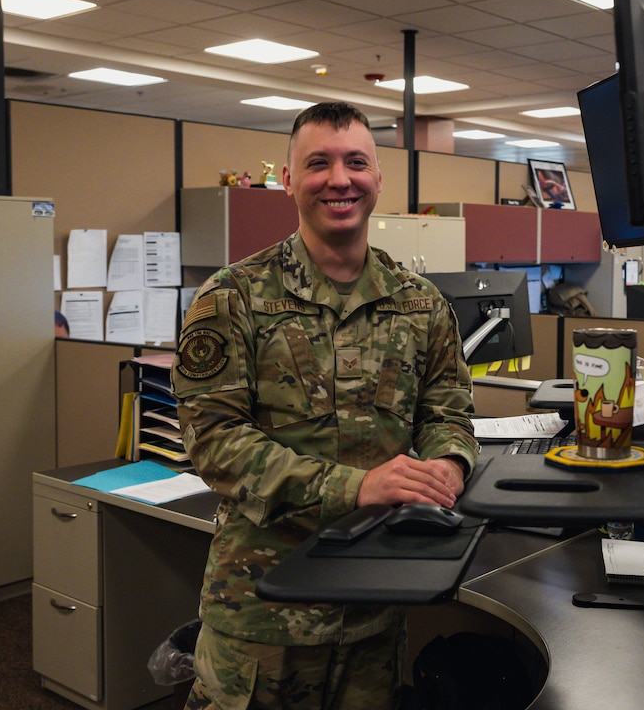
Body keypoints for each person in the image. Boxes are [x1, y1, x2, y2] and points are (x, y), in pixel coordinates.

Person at [171, 101, 478, 710]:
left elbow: (447, 412)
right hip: (263, 612)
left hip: (376, 605)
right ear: (288, 180)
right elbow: (215, 443)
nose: (340, 179)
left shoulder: (421, 304)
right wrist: (354, 488)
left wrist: (450, 464)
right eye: (318, 163)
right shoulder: (232, 298)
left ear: (378, 178)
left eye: (356, 162)